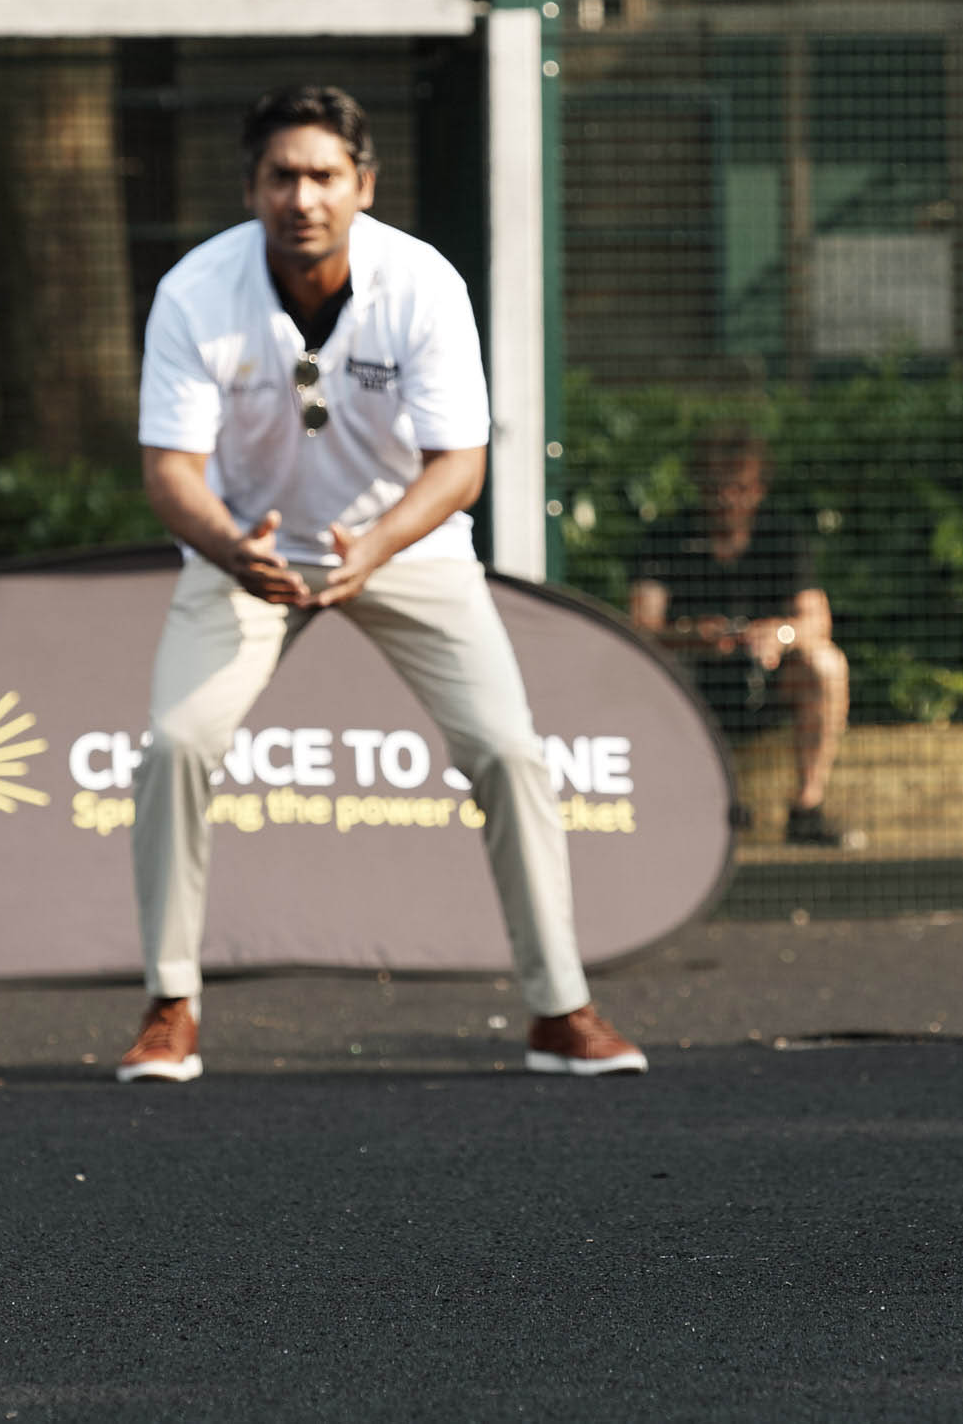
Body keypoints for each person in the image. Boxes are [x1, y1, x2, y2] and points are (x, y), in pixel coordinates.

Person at [117, 83, 645, 1084]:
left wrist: (374, 546)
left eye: (323, 176)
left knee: (507, 750)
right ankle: (169, 1004)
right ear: (250, 189)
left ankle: (559, 1008)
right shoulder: (194, 291)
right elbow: (169, 474)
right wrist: (236, 548)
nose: (301, 197)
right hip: (244, 553)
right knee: (177, 745)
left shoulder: (423, 283)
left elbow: (459, 465)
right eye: (281, 176)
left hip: (409, 545)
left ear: (364, 184)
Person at [628, 426, 851, 847]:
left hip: (766, 682)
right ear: (700, 485)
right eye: (717, 487)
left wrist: (778, 635)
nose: (728, 498)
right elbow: (641, 628)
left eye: (740, 487)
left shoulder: (782, 536)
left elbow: (817, 621)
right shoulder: (664, 538)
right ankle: (685, 807)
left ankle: (807, 808)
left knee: (826, 664)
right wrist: (693, 636)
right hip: (689, 684)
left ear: (760, 489)